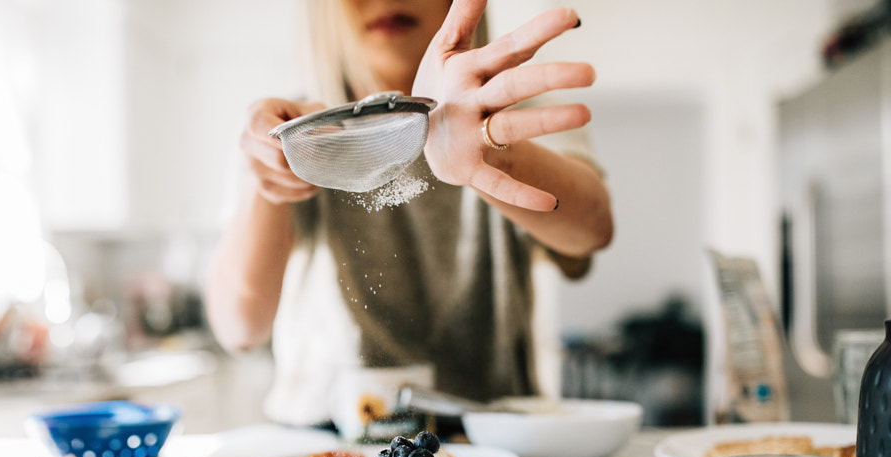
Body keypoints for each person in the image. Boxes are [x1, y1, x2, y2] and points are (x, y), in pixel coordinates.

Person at [207, 0, 614, 427]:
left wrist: (489, 152)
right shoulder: (285, 131)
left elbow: (592, 229)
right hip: (324, 446)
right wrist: (269, 180)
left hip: (486, 433)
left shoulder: (512, 106)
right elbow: (239, 328)